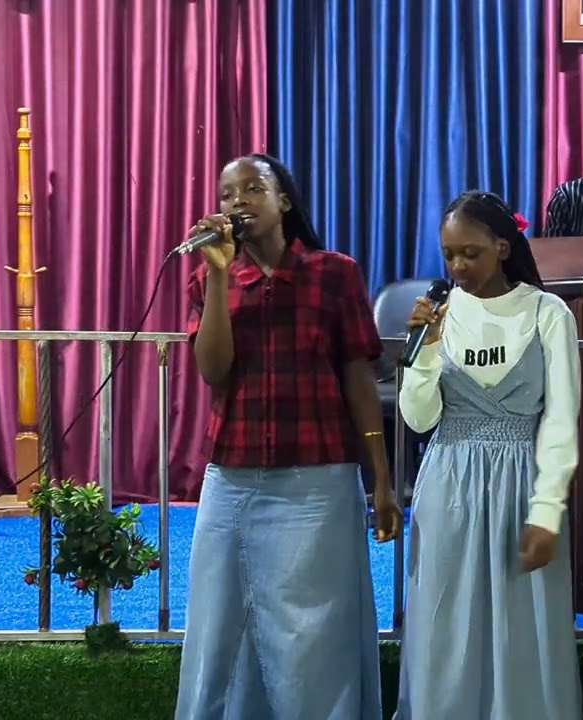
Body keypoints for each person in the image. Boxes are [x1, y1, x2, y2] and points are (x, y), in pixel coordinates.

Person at [175, 153, 402, 720]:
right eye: (228, 195)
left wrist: (380, 476)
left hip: (316, 479)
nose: (238, 203)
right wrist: (222, 274)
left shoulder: (334, 272)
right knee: (220, 620)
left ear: (285, 201)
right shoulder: (209, 274)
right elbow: (213, 371)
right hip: (233, 472)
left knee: (313, 633)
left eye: (253, 189)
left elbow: (357, 376)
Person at [393, 191, 583, 719]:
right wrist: (423, 352)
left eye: (469, 253)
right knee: (447, 620)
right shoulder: (440, 314)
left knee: (526, 623)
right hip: (449, 479)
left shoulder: (549, 313)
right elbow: (418, 418)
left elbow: (563, 419)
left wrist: (547, 512)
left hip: (523, 480)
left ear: (502, 247)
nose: (457, 266)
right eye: (449, 254)